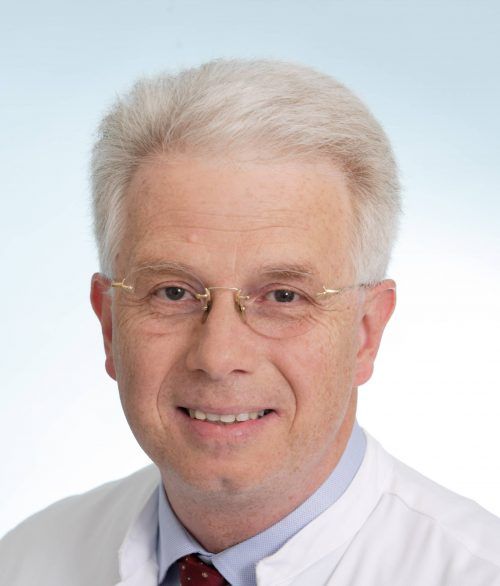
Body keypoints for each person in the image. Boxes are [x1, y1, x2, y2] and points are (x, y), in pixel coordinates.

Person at [1, 59, 499, 586]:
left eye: (283, 296)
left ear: (365, 333)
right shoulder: (26, 562)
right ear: (109, 324)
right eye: (173, 292)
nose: (218, 357)